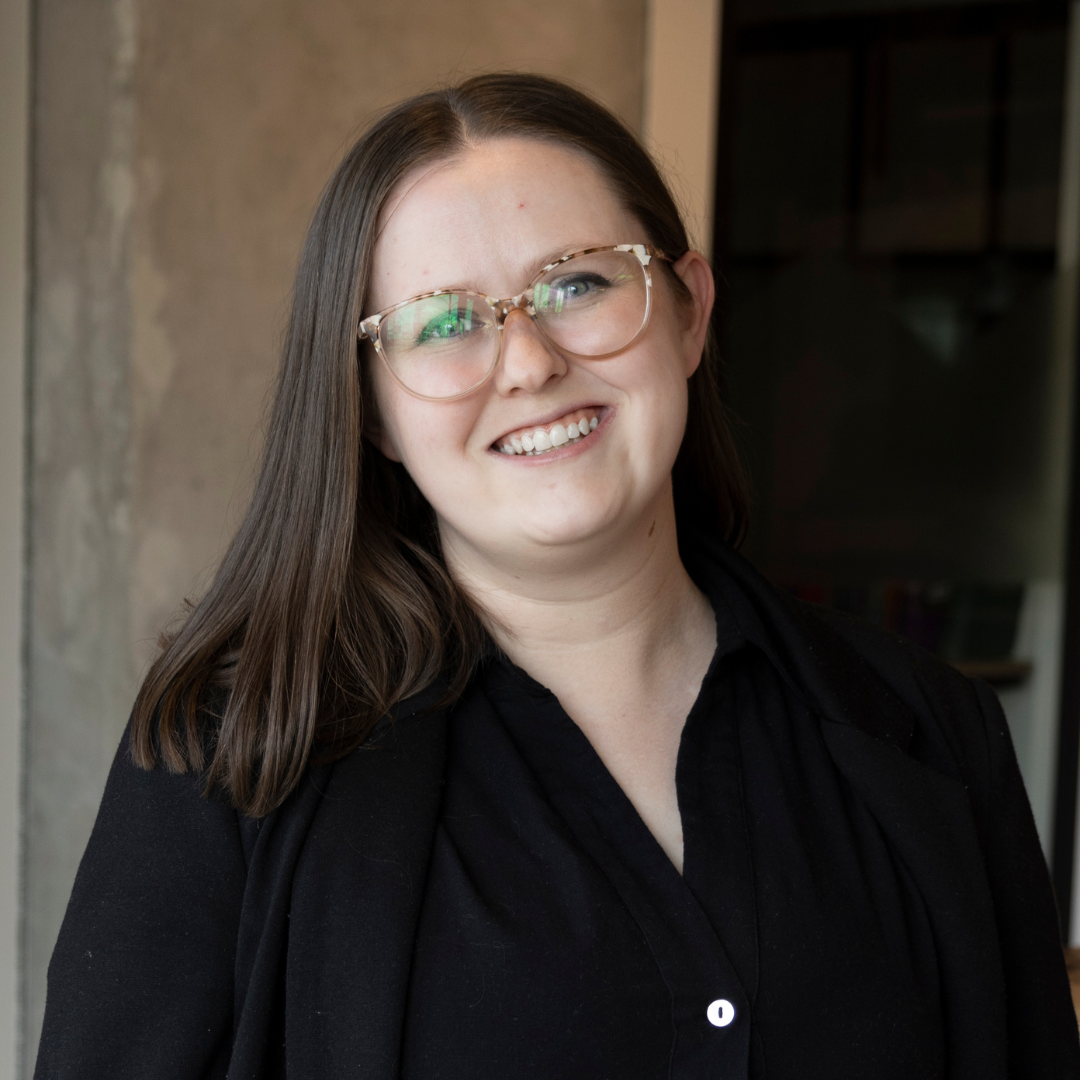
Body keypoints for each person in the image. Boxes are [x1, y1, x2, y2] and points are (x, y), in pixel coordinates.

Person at [34, 73, 1079, 1080]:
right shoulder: (234, 760)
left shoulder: (933, 741)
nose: (527, 362)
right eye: (444, 322)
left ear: (688, 311)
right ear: (370, 411)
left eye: (576, 282)